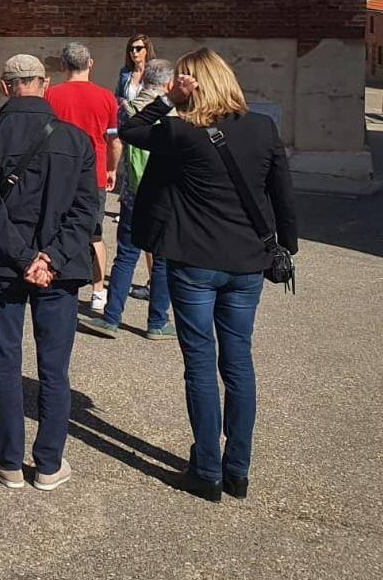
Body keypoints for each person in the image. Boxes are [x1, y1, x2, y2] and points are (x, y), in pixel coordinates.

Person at [121, 48, 299, 503]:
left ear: (192, 84)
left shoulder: (181, 131)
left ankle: (207, 470)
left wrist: (163, 97)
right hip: (247, 264)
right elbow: (283, 195)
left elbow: (129, 129)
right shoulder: (263, 128)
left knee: (200, 364)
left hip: (195, 261)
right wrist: (286, 248)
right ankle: (237, 469)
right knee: (238, 363)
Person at [0, 54, 98, 492]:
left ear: (6, 87)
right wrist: (51, 258)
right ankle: (48, 462)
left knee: (5, 363)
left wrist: (25, 257)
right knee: (54, 368)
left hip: (4, 263)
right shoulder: (78, 140)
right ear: (43, 84)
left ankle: (7, 460)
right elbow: (87, 211)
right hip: (58, 269)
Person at [81, 59, 175, 341]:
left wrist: (114, 172)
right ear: (169, 84)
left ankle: (111, 318)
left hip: (134, 191)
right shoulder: (175, 113)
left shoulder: (128, 108)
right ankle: (157, 321)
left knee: (126, 255)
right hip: (165, 194)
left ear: (145, 79)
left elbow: (118, 141)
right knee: (161, 258)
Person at [46, 42, 122, 313]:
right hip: (95, 173)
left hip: (59, 174)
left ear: (63, 65)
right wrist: (112, 169)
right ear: (90, 64)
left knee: (56, 228)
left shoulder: (51, 96)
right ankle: (98, 291)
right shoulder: (106, 97)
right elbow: (114, 141)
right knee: (94, 234)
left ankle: (56, 278)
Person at [118, 34, 153, 102]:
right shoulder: (125, 73)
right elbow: (118, 97)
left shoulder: (155, 72)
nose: (134, 51)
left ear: (147, 50)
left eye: (138, 48)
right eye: (131, 49)